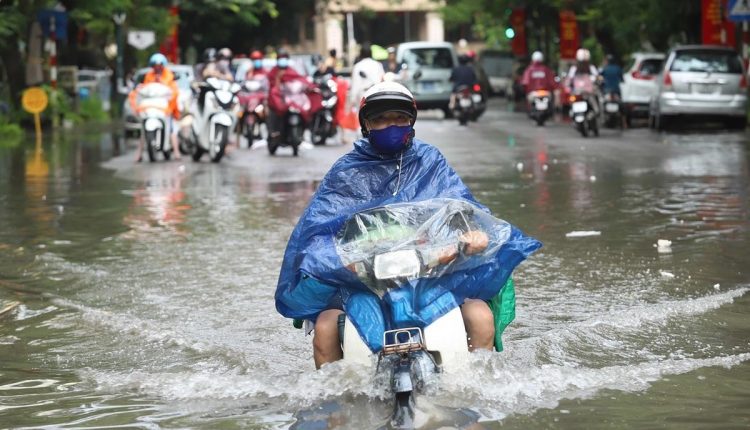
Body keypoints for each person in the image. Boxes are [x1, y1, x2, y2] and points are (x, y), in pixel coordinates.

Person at [275, 81, 539, 369]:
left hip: (430, 270)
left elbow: (461, 206)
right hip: (362, 278)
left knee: (480, 318)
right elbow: (319, 230)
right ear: (366, 125)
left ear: (411, 122)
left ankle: (479, 396)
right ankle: (335, 409)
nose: (391, 125)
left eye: (399, 118)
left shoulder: (430, 161)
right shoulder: (345, 172)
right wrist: (332, 259)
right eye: (380, 119)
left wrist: (474, 234)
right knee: (325, 330)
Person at [130, 52, 181, 162]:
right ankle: (139, 154)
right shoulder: (149, 75)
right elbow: (145, 89)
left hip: (165, 106)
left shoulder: (169, 76)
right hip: (152, 105)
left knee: (171, 127)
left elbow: (173, 92)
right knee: (143, 129)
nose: (157, 69)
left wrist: (162, 82)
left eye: (160, 66)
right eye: (155, 67)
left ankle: (176, 152)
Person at [348, 44, 385, 117]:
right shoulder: (378, 65)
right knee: (377, 119)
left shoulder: (358, 66)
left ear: (361, 53)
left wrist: (352, 100)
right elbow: (383, 80)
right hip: (376, 94)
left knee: (363, 120)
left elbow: (355, 84)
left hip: (363, 95)